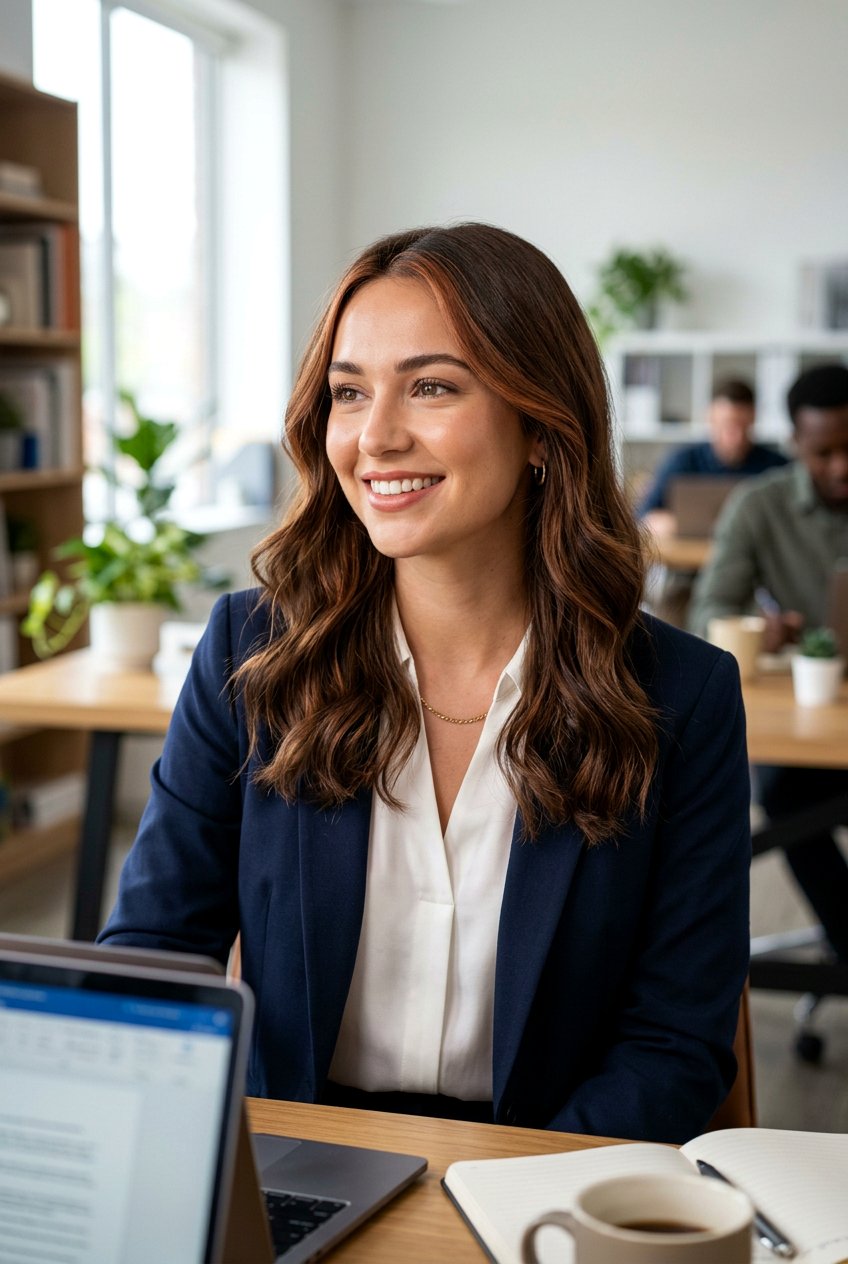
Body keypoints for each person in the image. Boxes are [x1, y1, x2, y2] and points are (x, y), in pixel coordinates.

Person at [98, 223, 750, 1144]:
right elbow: (153, 956)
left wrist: (514, 1192)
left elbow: (674, 1044)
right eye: (349, 393)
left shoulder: (682, 695)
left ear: (541, 425)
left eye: (432, 386)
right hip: (294, 1157)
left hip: (546, 1167)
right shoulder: (251, 654)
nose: (377, 437)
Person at [689, 361, 848, 963]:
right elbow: (709, 612)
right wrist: (763, 631)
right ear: (796, 443)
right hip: (806, 721)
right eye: (824, 453)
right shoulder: (760, 505)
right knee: (785, 797)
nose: (841, 467)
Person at [638, 378, 789, 537]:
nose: (736, 437)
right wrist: (682, 524)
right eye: (728, 425)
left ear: (753, 418)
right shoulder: (681, 461)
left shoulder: (777, 467)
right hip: (692, 552)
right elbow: (644, 518)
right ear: (711, 418)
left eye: (743, 426)